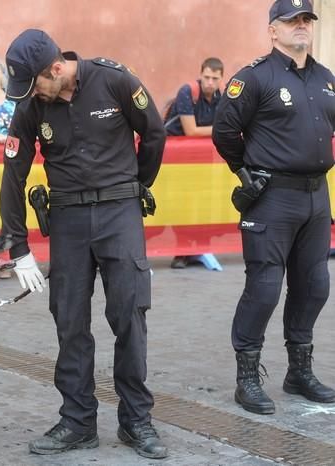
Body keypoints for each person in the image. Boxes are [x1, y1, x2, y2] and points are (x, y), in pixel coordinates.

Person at [0, 29, 168, 459]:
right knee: (69, 322)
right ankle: (77, 422)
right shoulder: (31, 104)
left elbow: (154, 134)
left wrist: (134, 187)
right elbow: (13, 175)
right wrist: (18, 247)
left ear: (57, 69)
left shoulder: (115, 80)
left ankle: (136, 421)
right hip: (69, 220)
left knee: (129, 315)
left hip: (119, 215)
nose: (31, 93)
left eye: (35, 82)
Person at [212, 0, 335, 416]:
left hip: (316, 196)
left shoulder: (326, 79)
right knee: (264, 287)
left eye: (306, 20)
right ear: (273, 30)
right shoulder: (254, 77)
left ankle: (298, 372)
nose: (301, 26)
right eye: (292, 21)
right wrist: (246, 170)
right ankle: (247, 377)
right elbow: (225, 130)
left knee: (315, 284)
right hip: (272, 196)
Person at [165, 57, 224, 269]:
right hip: (176, 158)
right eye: (206, 77)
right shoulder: (187, 92)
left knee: (204, 200)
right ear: (200, 75)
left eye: (214, 78)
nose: (210, 82)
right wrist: (218, 129)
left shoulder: (222, 97)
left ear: (220, 79)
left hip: (203, 157)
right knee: (182, 201)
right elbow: (191, 130)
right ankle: (181, 252)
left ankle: (202, 246)